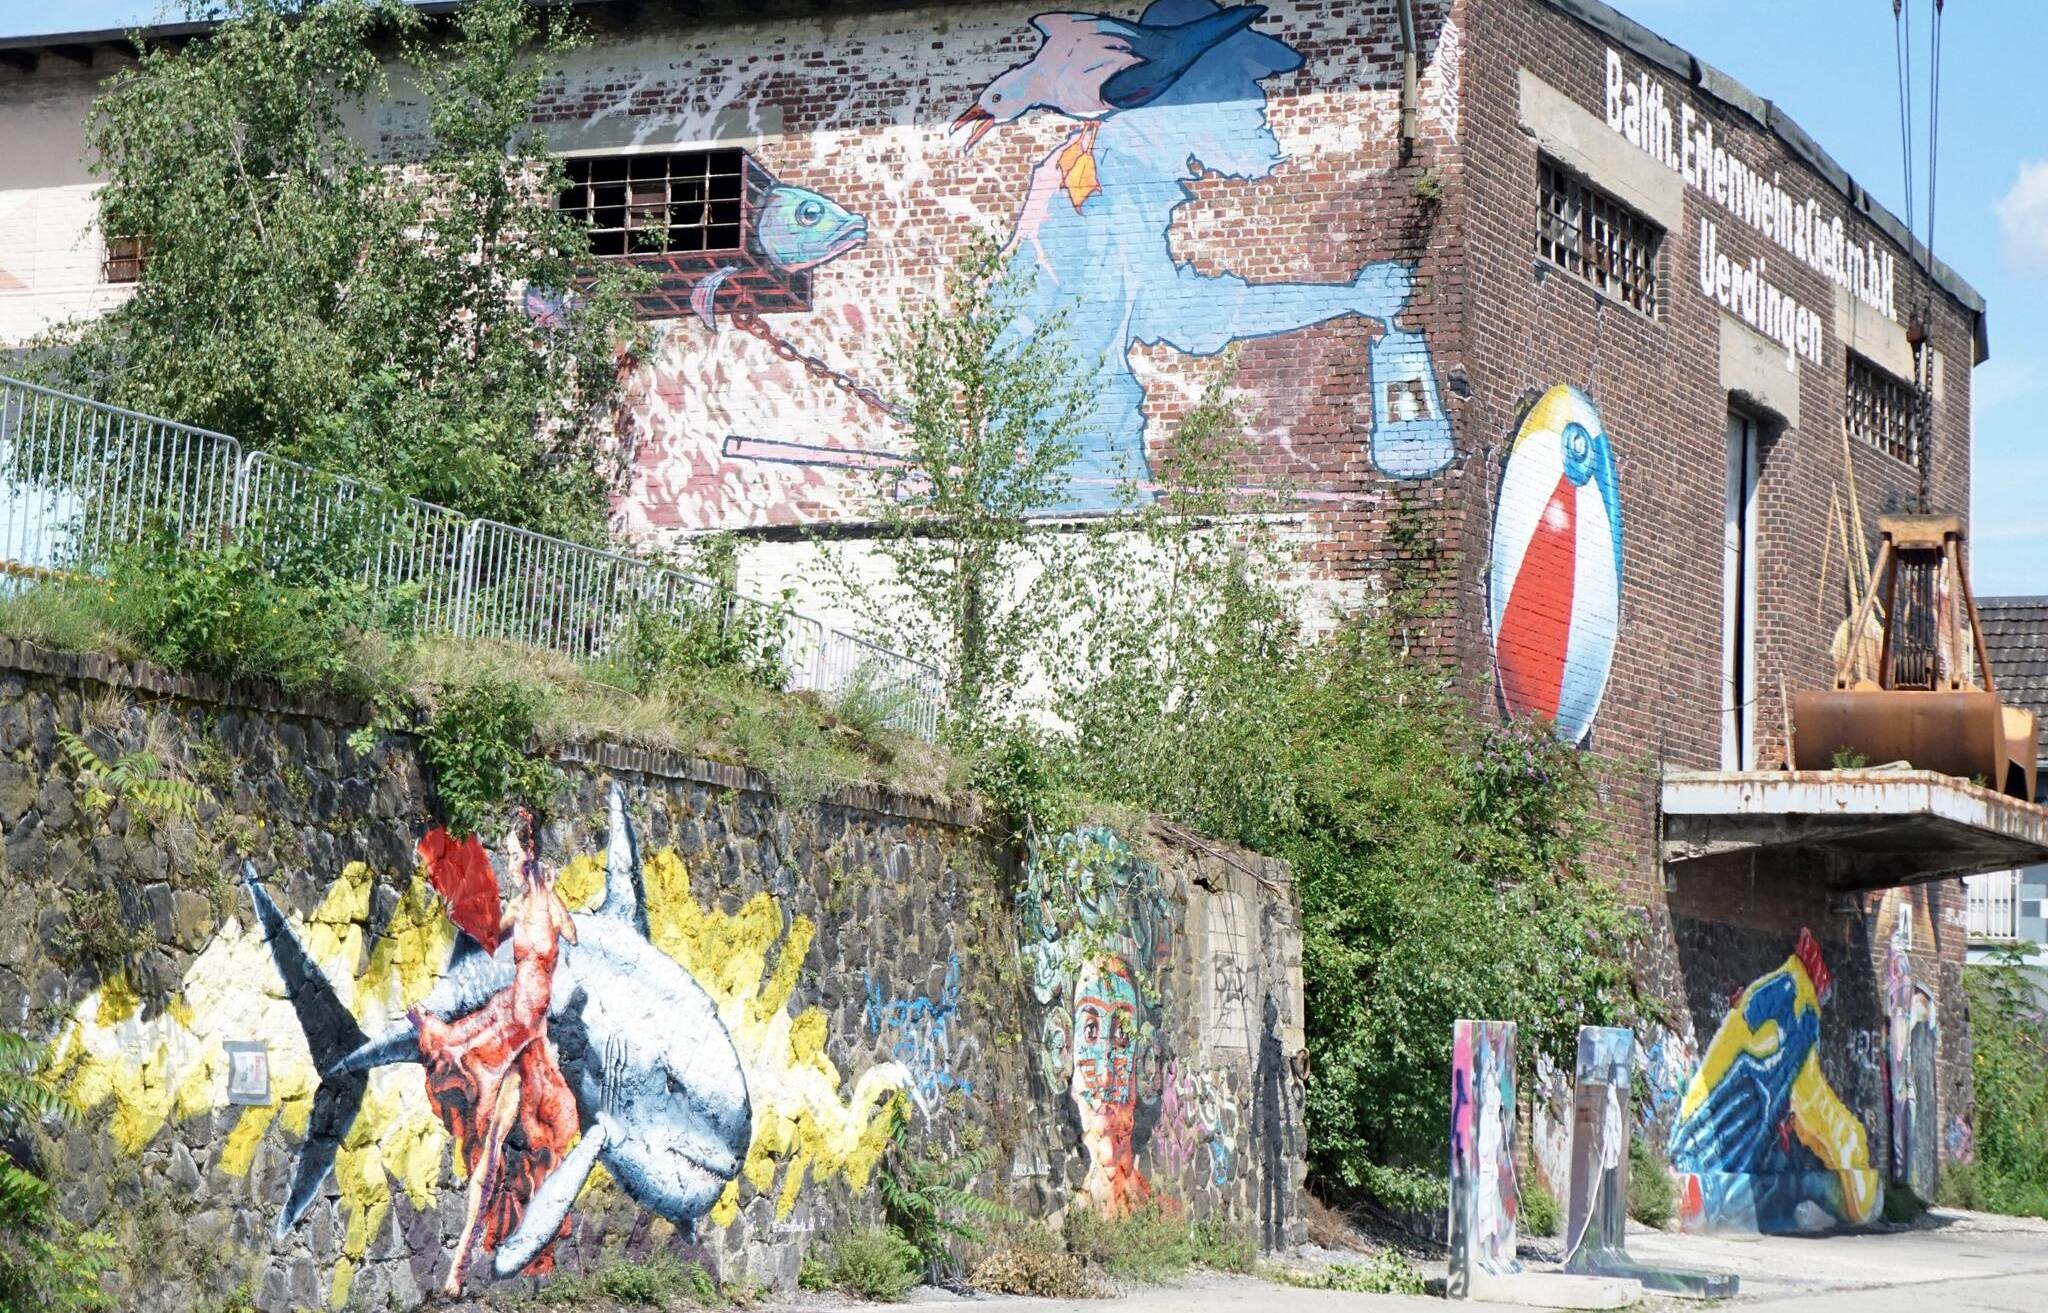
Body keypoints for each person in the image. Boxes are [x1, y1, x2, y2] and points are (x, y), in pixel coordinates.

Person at [413, 810, 580, 1295]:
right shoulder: (517, 909)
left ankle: (481, 1257)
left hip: (534, 1042)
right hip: (509, 1030)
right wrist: (462, 902)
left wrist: (549, 891)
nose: (509, 863)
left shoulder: (549, 906)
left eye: (512, 854)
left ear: (530, 854)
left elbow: (573, 936)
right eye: (506, 854)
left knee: (527, 1151)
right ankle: (459, 1266)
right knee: (490, 1148)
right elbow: (491, 937)